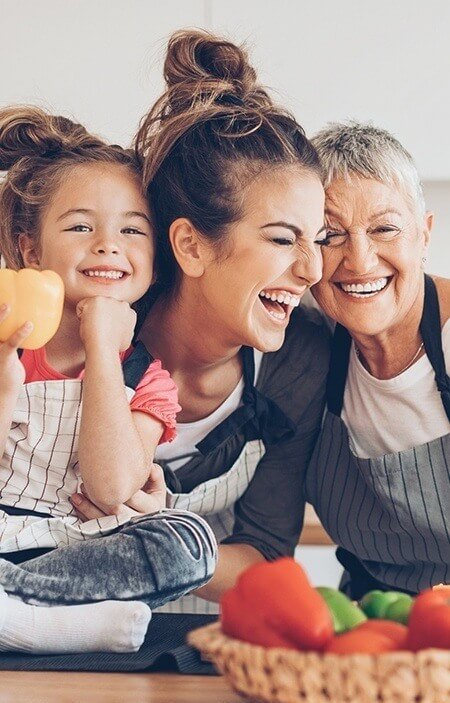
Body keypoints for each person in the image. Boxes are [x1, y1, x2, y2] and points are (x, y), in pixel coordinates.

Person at [0, 28, 329, 654]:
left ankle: (32, 610)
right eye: (284, 240)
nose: (313, 272)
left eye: (318, 238)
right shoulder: (87, 319)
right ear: (190, 246)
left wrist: (151, 516)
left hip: (186, 642)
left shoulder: (297, 362)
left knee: (187, 543)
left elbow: (265, 560)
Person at [0, 106, 217, 654]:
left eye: (130, 228)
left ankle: (20, 609)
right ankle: (42, 624)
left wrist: (101, 349)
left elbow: (109, 488)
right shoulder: (7, 346)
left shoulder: (149, 381)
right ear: (30, 249)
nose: (106, 243)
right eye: (79, 226)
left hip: (76, 553)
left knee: (189, 543)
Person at [305, 121, 450, 598]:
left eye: (384, 229)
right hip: (370, 628)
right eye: (330, 235)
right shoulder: (307, 346)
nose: (360, 260)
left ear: (424, 236)